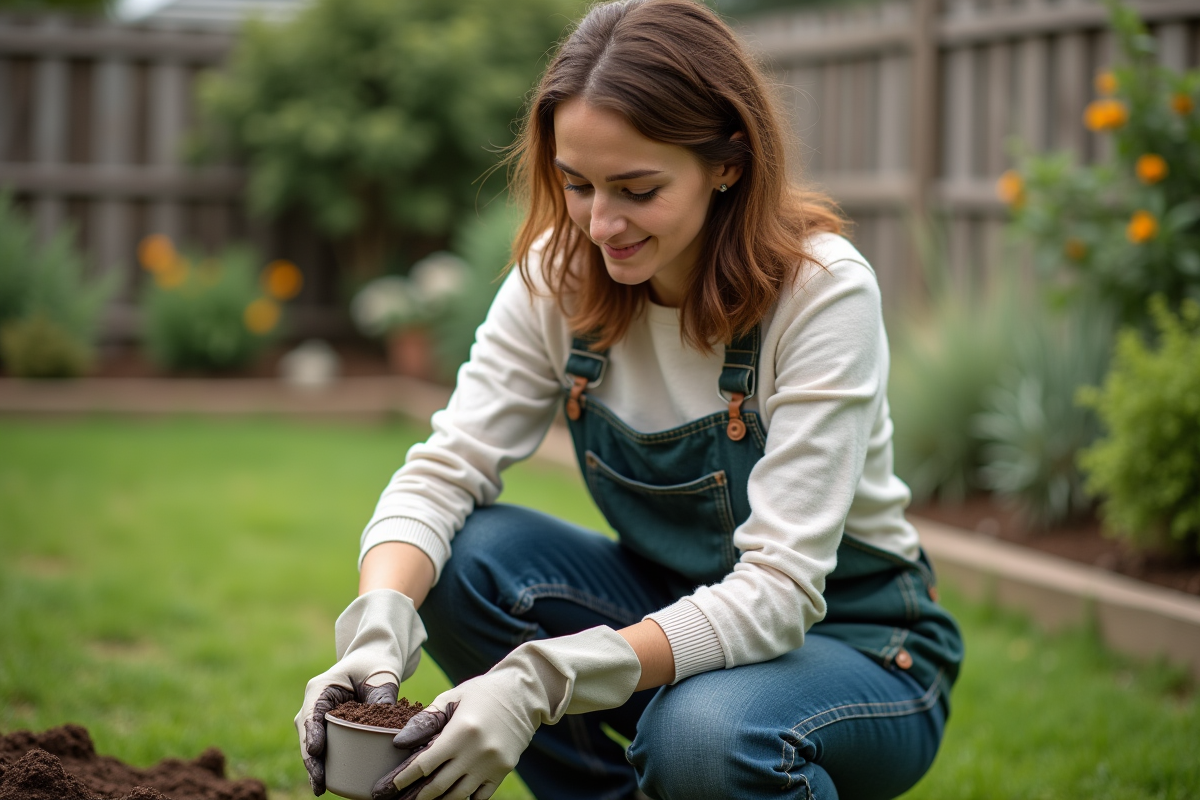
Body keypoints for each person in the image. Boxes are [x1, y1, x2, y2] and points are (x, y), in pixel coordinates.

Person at [296, 1, 964, 798]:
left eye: (637, 189)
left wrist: (541, 679)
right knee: (459, 563)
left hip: (856, 646)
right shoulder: (560, 274)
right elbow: (445, 470)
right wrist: (377, 623)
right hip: (669, 608)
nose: (601, 223)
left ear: (728, 162)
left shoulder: (822, 295)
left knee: (703, 736)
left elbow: (780, 593)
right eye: (576, 184)